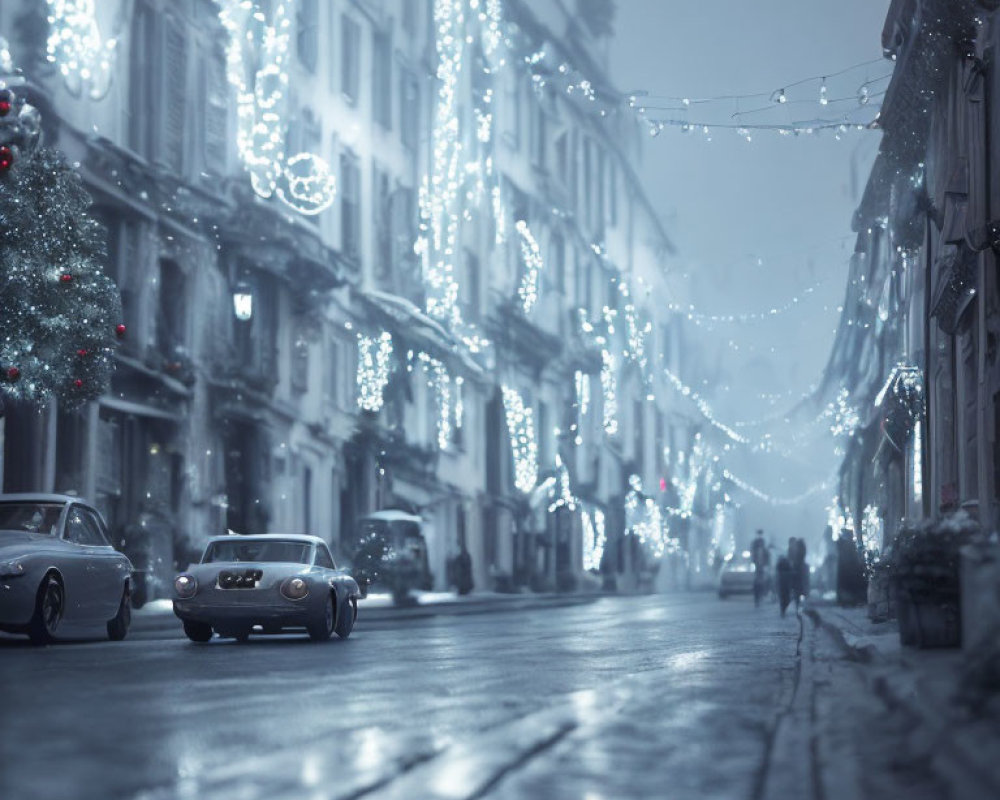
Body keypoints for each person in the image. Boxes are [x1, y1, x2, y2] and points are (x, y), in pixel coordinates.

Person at [836, 528, 867, 606]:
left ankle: (850, 599)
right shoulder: (847, 544)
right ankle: (849, 599)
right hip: (848, 570)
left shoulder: (847, 544)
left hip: (849, 569)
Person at [750, 529, 770, 607]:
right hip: (758, 566)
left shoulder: (763, 548)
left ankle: (760, 596)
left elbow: (766, 556)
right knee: (758, 582)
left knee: (760, 581)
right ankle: (758, 597)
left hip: (761, 566)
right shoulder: (756, 546)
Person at [789, 537, 808, 610]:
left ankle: (798, 602)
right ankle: (800, 603)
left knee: (796, 588)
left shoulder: (792, 549)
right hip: (799, 569)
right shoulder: (800, 548)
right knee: (801, 587)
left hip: (795, 569)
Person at [776, 551, 793, 617]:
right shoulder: (786, 564)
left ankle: (783, 611)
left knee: (784, 599)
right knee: (785, 598)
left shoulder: (781, 564)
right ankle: (783, 611)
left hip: (784, 584)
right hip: (785, 584)